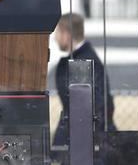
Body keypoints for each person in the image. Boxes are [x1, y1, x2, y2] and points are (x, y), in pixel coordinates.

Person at [51, 13, 116, 164]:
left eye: (58, 33)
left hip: (87, 140)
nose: (55, 38)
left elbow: (94, 105)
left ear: (66, 34)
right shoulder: (82, 59)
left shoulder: (84, 64)